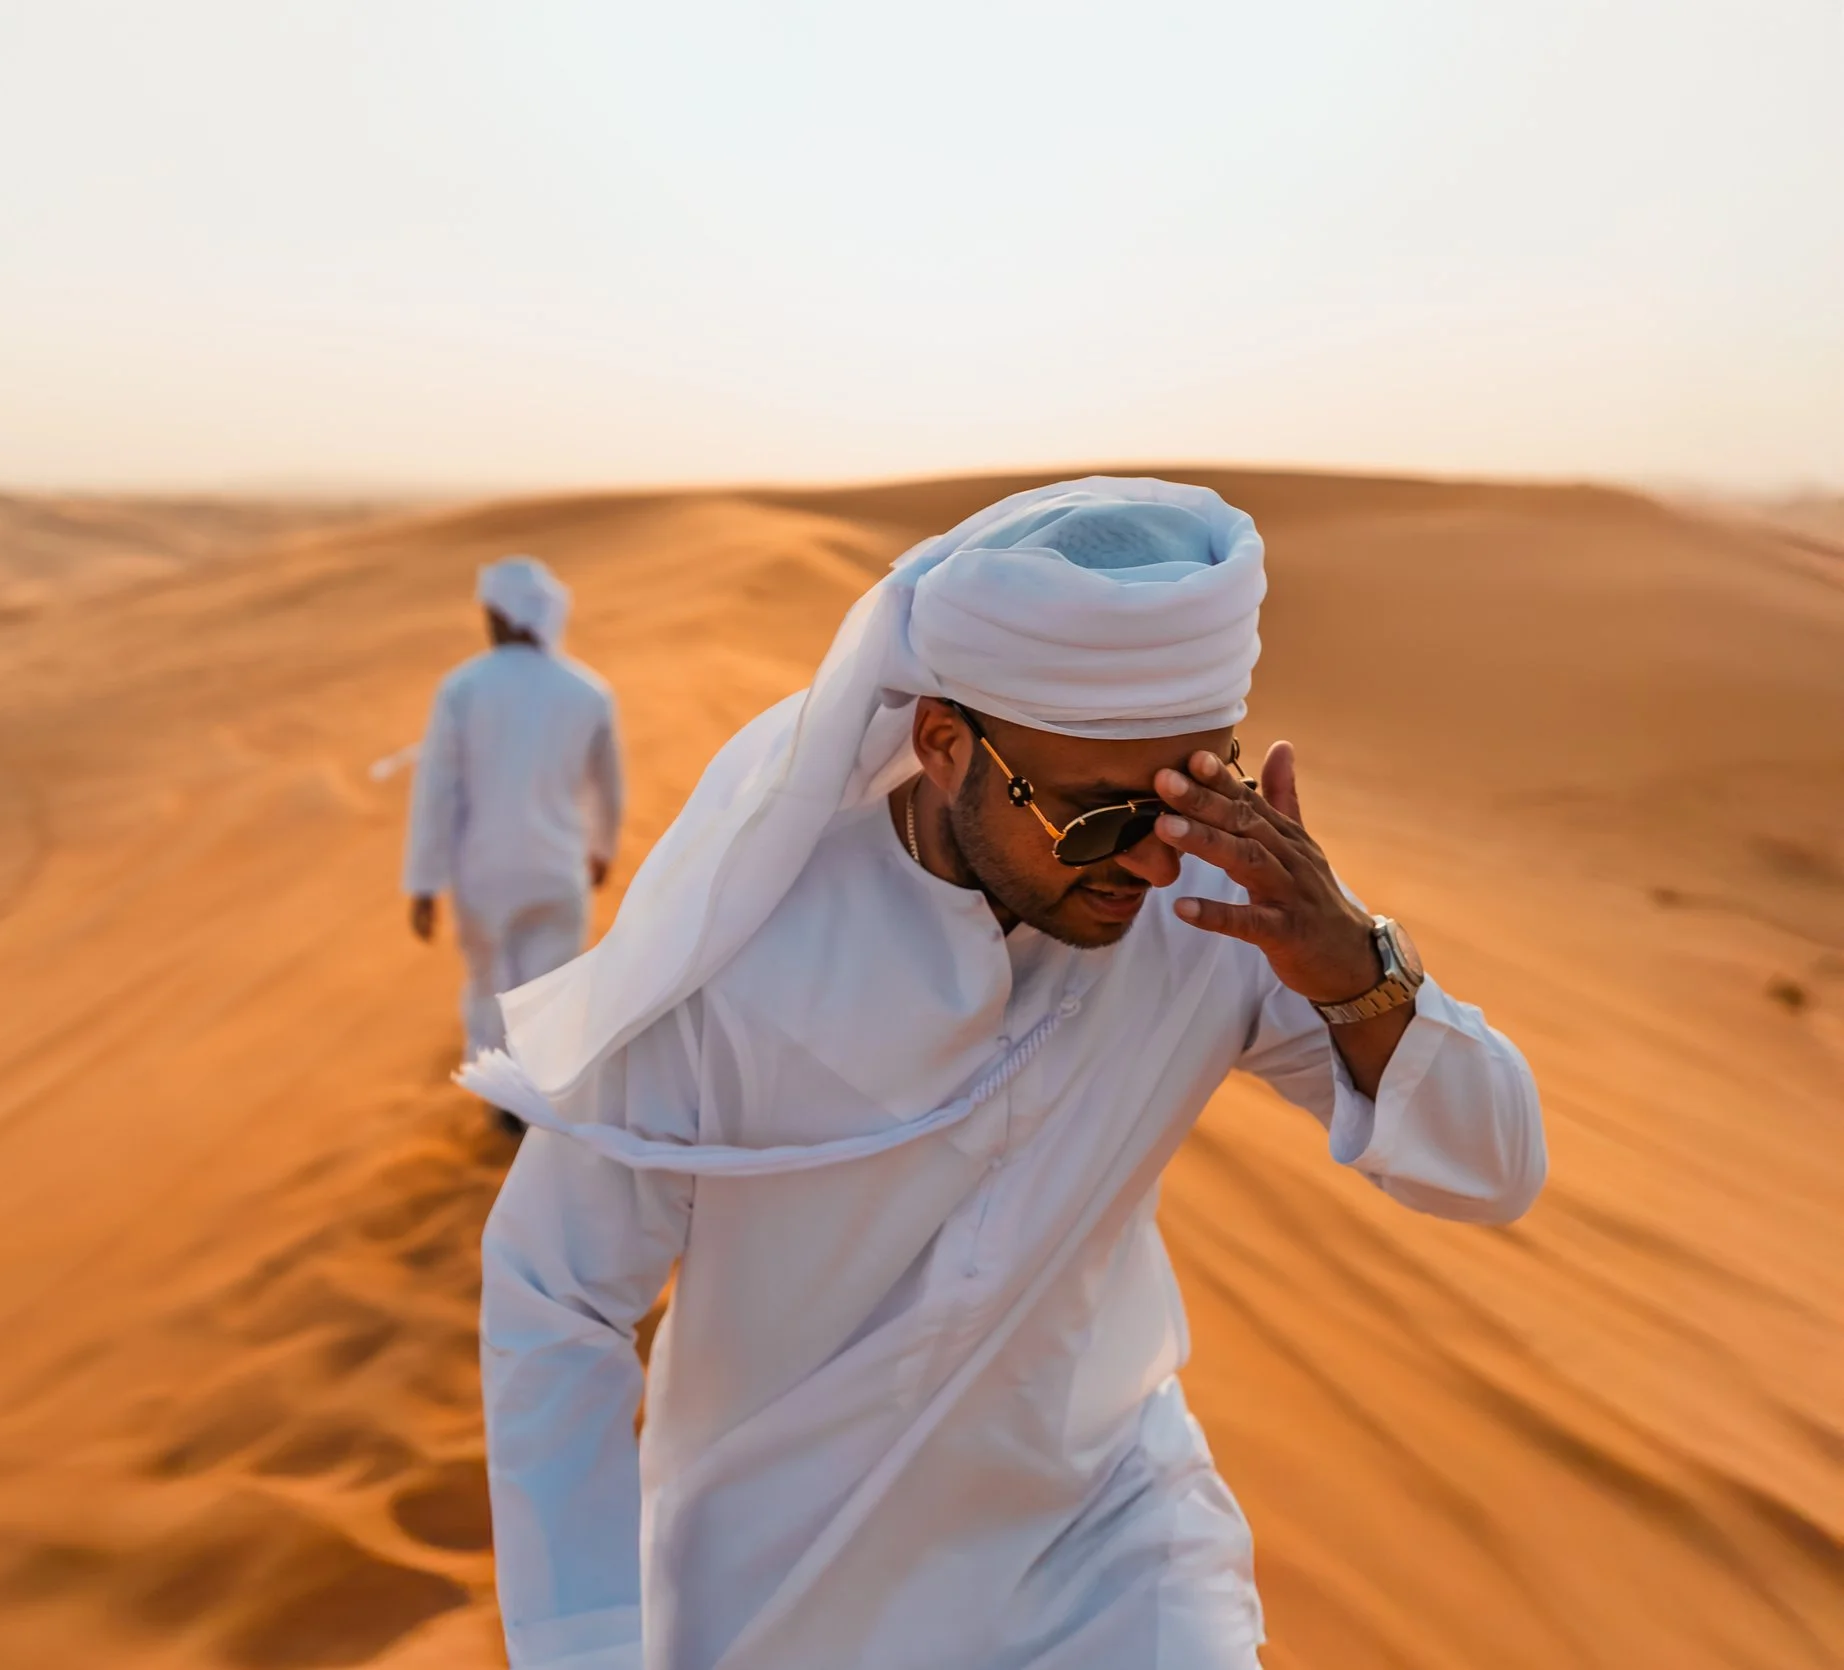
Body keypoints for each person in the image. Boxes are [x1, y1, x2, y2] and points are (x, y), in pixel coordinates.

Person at [465, 479, 1546, 1670]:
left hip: (1103, 1548)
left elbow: (1489, 1171)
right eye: (1093, 815)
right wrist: (583, 1647)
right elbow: (556, 1296)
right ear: (942, 744)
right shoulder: (745, 949)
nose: (1144, 854)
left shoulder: (1222, 910)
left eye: (1184, 796)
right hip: (780, 1576)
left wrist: (1359, 972)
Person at [405, 555, 625, 1073]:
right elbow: (608, 789)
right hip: (558, 871)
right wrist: (602, 849)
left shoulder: (462, 688)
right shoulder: (588, 691)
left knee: (488, 989)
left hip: (483, 875)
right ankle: (540, 1098)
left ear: (503, 616)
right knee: (551, 990)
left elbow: (437, 791)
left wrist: (423, 883)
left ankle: (501, 1098)